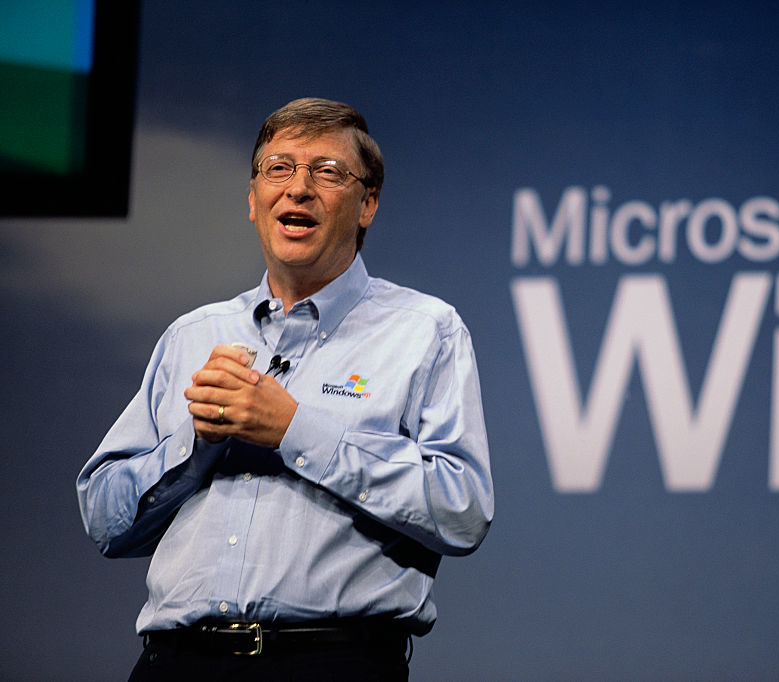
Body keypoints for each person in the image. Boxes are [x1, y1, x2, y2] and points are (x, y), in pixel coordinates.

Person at [77, 97, 493, 681]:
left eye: (328, 172)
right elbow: (104, 520)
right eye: (278, 168)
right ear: (253, 199)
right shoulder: (192, 335)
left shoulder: (425, 331)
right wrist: (195, 446)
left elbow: (463, 510)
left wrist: (295, 430)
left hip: (332, 663)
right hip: (174, 662)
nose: (298, 188)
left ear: (368, 203)